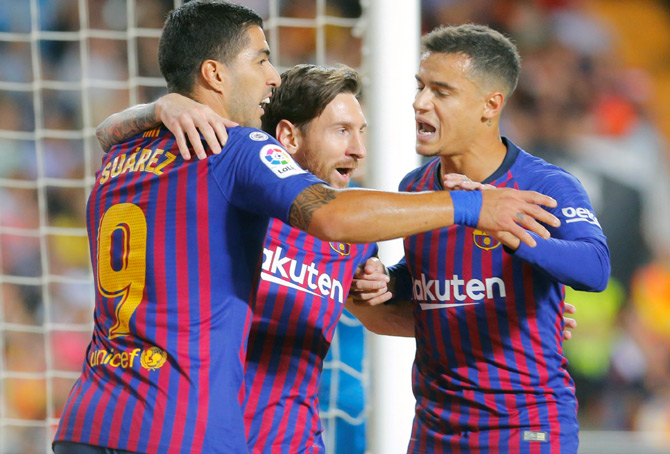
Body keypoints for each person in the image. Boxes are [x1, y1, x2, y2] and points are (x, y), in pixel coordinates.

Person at [53, 3, 561, 454]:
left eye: (361, 132)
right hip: (182, 425)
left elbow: (396, 315)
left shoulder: (122, 155)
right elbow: (333, 215)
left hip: (94, 416)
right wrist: (469, 207)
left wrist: (514, 313)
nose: (271, 77)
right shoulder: (240, 157)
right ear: (215, 74)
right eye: (260, 59)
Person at [350, 24, 610, 453]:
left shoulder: (544, 185)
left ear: (490, 105)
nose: (419, 103)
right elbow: (425, 278)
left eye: (441, 91)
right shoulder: (415, 188)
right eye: (420, 87)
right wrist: (385, 281)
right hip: (435, 425)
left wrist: (514, 233)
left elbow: (595, 268)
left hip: (524, 425)